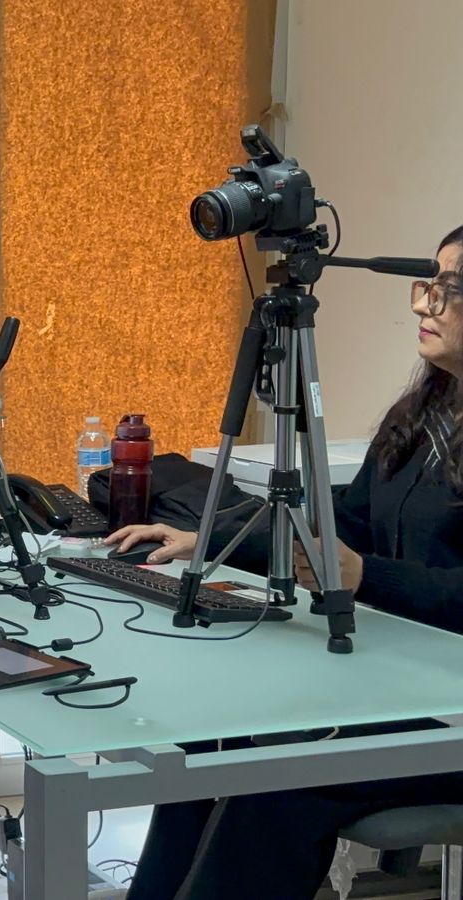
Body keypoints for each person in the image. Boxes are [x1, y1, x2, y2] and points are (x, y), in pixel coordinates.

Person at [104, 225, 463, 899]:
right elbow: (342, 525)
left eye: (449, 289)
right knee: (211, 743)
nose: (424, 303)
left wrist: (366, 577)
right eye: (428, 284)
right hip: (403, 683)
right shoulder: (425, 413)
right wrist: (211, 539)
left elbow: (375, 568)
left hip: (451, 719)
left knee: (279, 778)